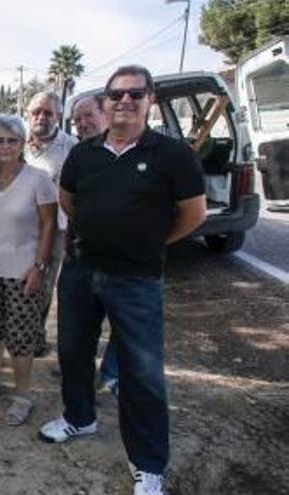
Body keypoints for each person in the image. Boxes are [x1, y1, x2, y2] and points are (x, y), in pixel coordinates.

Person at [38, 65, 206, 495]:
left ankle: (148, 465)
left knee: (142, 374)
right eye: (116, 94)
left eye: (135, 94)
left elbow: (193, 215)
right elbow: (69, 200)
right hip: (79, 272)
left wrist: (149, 242)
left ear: (149, 99)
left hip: (136, 281)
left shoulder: (174, 155)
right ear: (106, 101)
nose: (124, 102)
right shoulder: (85, 153)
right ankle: (80, 418)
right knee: (73, 353)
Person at [0, 115, 57, 425]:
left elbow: (49, 225)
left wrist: (40, 267)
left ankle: (23, 395)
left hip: (23, 272)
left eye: (11, 141)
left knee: (20, 337)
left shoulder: (38, 178)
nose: (4, 146)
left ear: (22, 144)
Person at [24, 91, 78, 358]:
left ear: (58, 116)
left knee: (43, 282)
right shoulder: (15, 141)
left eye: (48, 113)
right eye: (36, 111)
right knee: (18, 277)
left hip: (55, 228)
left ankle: (36, 333)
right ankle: (20, 329)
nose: (41, 117)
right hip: (20, 226)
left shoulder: (71, 147)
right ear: (28, 114)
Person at [71, 94, 118, 394]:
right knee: (82, 326)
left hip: (127, 260)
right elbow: (67, 199)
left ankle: (112, 373)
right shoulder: (79, 154)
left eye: (88, 116)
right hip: (83, 256)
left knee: (125, 322)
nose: (83, 124)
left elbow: (189, 212)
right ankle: (83, 381)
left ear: (106, 114)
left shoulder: (131, 152)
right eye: (77, 120)